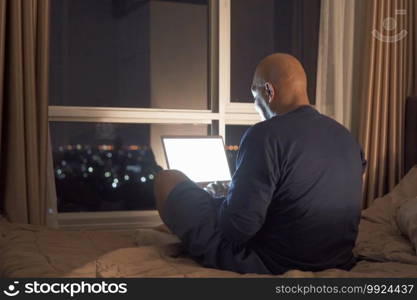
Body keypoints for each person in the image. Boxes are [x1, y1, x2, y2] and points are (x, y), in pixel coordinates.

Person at [154, 53, 366, 275]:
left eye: (255, 97)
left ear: (269, 91)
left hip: (273, 263)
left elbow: (236, 230)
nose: (256, 106)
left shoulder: (265, 135)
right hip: (337, 259)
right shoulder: (347, 137)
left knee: (166, 179)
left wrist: (227, 201)